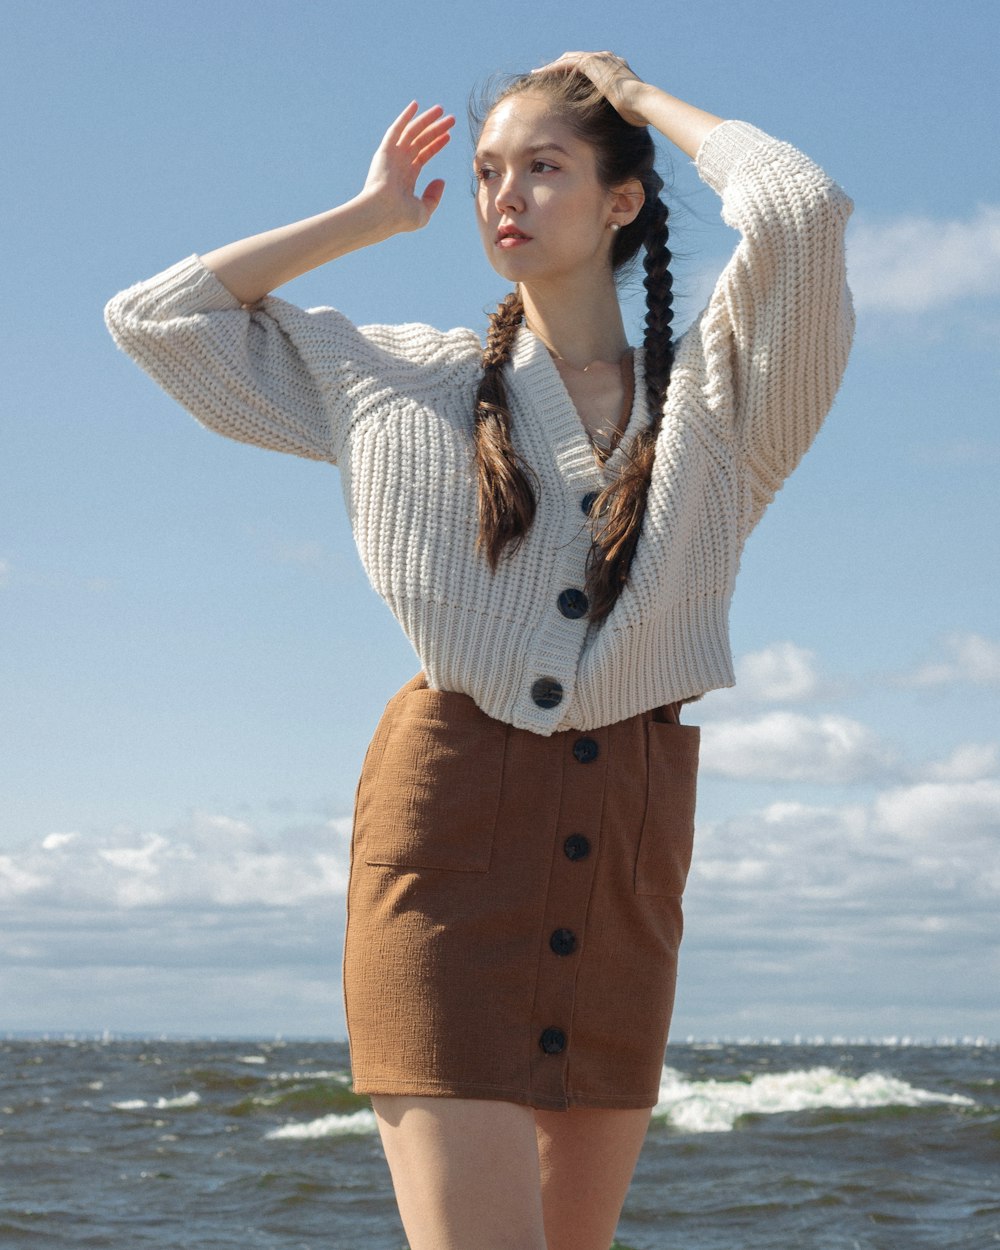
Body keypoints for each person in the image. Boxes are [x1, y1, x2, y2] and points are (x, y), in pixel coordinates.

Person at [104, 50, 854, 1250]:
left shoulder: (722, 399)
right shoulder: (402, 377)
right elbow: (156, 319)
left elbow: (800, 210)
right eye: (490, 170)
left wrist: (640, 97)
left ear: (623, 200)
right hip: (448, 828)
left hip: (627, 833)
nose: (504, 193)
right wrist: (369, 217)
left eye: (545, 167)